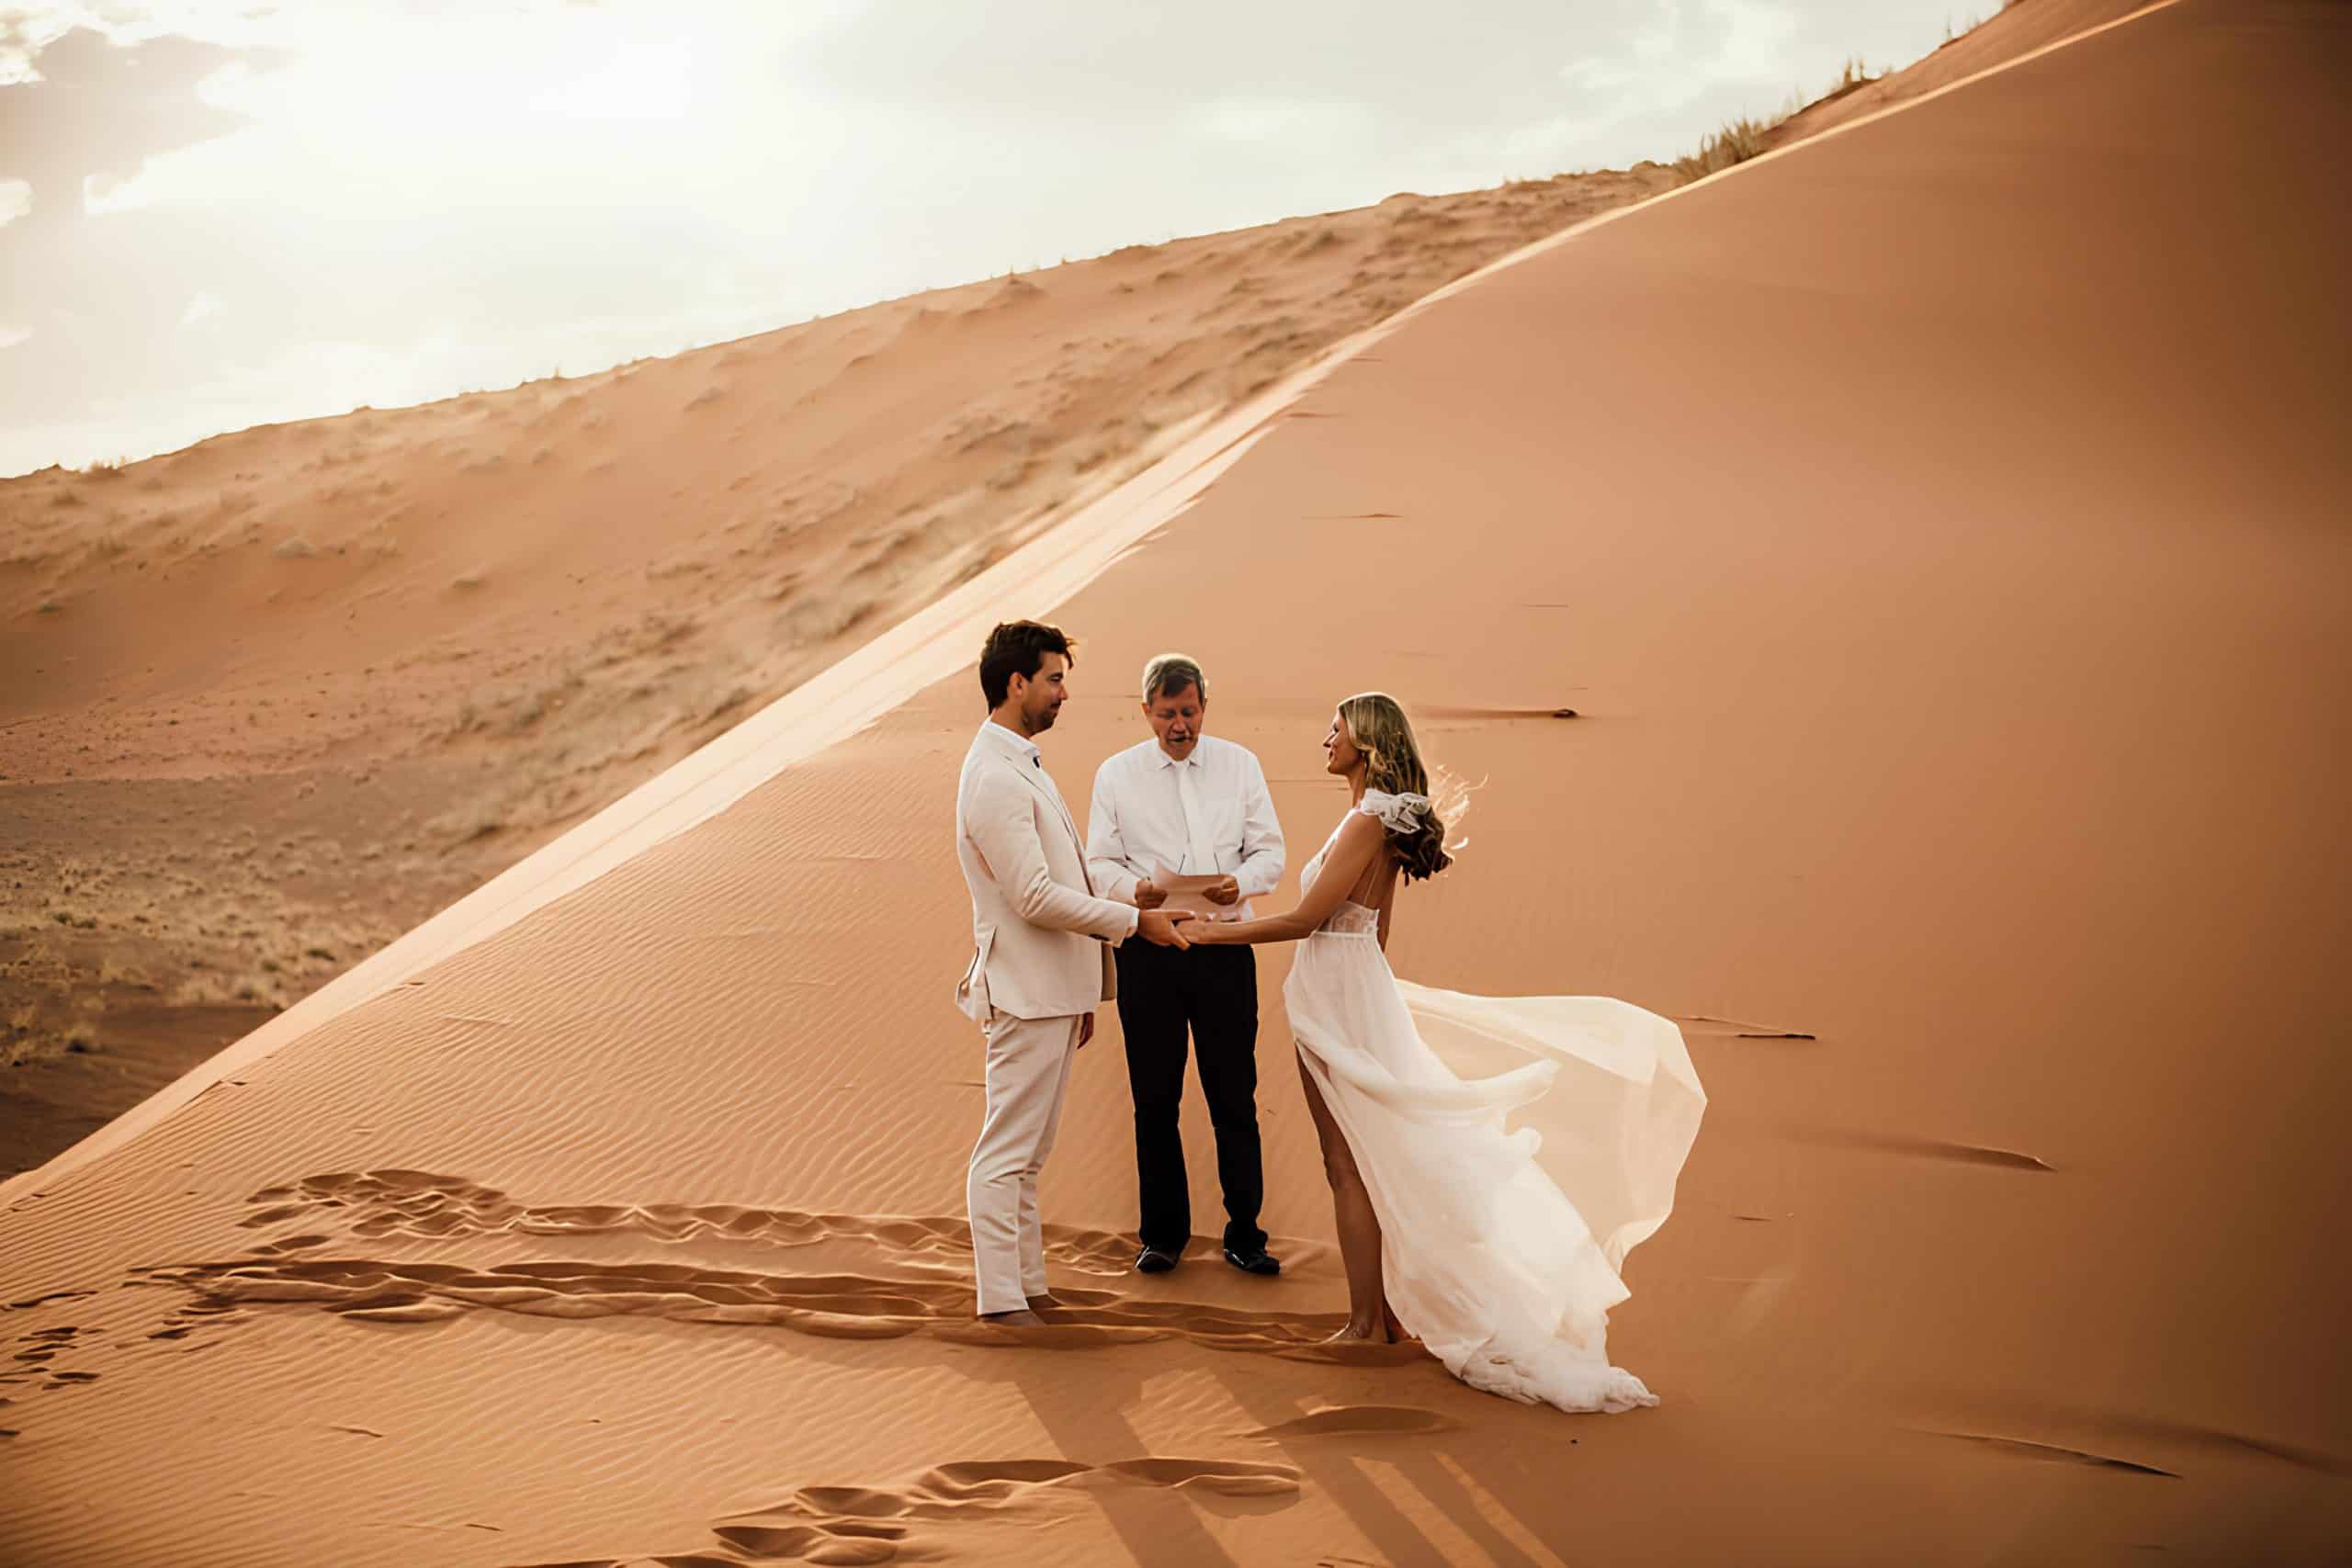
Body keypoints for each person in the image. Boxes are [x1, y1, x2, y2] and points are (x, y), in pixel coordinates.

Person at [1187, 692, 1705, 1412]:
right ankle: (1385, 1315)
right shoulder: (1376, 817)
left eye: (1336, 731)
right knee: (1371, 1155)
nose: (1325, 741)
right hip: (1349, 987)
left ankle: (1365, 1324)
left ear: (1366, 743)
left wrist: (1211, 935)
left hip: (1335, 996)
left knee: (1346, 1163)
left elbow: (1307, 918)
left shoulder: (1367, 820)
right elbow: (1376, 929)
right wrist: (1363, 991)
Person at [951, 620, 1193, 1325]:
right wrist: (1133, 923)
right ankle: (1001, 1301)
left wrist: (1091, 971)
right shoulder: (994, 776)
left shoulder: (1020, 763)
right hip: (1024, 993)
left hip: (1054, 992)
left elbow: (1066, 875)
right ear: (1016, 683)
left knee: (1030, 1153)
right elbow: (1031, 895)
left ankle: (1028, 1287)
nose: (1063, 692)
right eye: (1054, 679)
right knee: (1005, 1152)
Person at [1085, 653, 1286, 1277]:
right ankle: (1162, 1236)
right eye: (1168, 714)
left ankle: (1246, 1233)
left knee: (1235, 1096)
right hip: (1149, 953)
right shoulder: (1116, 775)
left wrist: (1239, 881)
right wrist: (1136, 890)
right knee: (1155, 1099)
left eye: (1190, 712)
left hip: (1225, 947)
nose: (1181, 725)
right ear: (1146, 711)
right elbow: (1098, 863)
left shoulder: (1240, 764)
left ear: (1204, 706)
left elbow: (1270, 851)